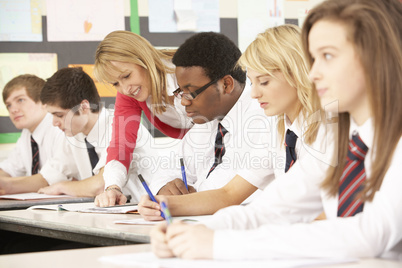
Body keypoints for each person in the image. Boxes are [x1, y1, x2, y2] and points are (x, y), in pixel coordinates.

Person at [150, 0, 402, 260]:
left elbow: (368, 235)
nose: (313, 73)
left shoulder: (377, 141)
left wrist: (221, 244)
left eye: (327, 56)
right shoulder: (347, 142)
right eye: (313, 59)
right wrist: (193, 233)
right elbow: (273, 209)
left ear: (376, 57)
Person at [138, 25, 326, 220]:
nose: (254, 93)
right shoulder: (279, 131)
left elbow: (324, 212)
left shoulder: (326, 130)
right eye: (253, 82)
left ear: (297, 74)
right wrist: (163, 204)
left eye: (264, 82)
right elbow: (228, 194)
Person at [140, 31, 273, 215]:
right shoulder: (206, 121)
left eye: (191, 92)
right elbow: (167, 168)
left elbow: (229, 193)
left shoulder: (263, 120)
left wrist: (182, 201)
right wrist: (165, 188)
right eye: (180, 91)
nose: (184, 101)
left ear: (226, 84)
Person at [93, 30, 192, 206]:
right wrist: (112, 187)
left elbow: (211, 126)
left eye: (126, 76)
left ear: (143, 60)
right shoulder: (130, 95)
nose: (125, 89)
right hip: (198, 154)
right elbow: (120, 144)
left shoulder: (187, 70)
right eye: (116, 83)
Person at [38, 67, 156, 202]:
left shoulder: (119, 126)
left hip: (143, 212)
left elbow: (101, 185)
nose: (54, 123)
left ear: (83, 107)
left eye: (59, 115)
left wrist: (62, 187)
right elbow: (47, 177)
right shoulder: (76, 135)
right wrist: (8, 184)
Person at [0, 74, 64, 194]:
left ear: (43, 101)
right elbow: (10, 167)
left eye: (20, 100)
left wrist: (8, 185)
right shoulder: (27, 134)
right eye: (9, 105)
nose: (13, 109)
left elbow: (50, 179)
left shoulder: (59, 128)